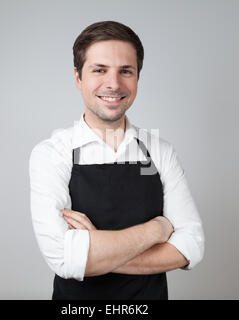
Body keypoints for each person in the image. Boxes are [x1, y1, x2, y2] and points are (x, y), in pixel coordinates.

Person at [29, 21, 204, 300]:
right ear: (78, 78)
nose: (114, 83)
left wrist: (93, 251)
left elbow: (191, 247)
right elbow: (62, 257)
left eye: (126, 71)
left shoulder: (159, 152)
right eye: (99, 70)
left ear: (137, 78)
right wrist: (157, 229)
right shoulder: (53, 153)